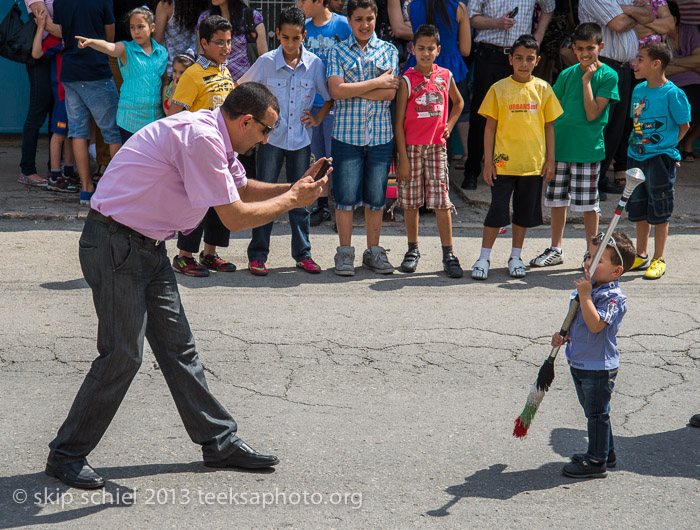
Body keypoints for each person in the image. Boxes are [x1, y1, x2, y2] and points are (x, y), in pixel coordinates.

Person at [44, 83, 328, 490]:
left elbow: (242, 189)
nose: (267, 139)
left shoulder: (218, 138)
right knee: (122, 354)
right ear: (246, 121)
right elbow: (233, 216)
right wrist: (291, 201)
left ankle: (219, 441)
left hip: (145, 246)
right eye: (266, 131)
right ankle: (66, 454)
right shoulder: (202, 138)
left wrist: (293, 188)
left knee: (179, 348)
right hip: (115, 243)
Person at [238, 7, 332, 275]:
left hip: (301, 143)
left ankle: (303, 254)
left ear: (304, 36)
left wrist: (317, 118)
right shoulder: (266, 62)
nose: (290, 44)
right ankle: (257, 255)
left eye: (296, 38)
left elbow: (328, 97)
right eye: (285, 38)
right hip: (271, 143)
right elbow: (243, 89)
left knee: (301, 200)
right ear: (277, 34)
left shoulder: (314, 64)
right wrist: (258, 126)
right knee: (264, 198)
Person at [470, 34, 563, 281]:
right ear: (510, 60)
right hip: (502, 164)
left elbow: (549, 127)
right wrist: (487, 161)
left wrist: (550, 160)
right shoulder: (498, 89)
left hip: (532, 165)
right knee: (496, 212)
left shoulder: (544, 89)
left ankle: (515, 256)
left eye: (529, 59)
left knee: (522, 214)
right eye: (519, 58)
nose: (524, 63)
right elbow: (489, 127)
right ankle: (483, 257)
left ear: (537, 61)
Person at [531, 23, 619, 268]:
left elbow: (592, 113)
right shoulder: (567, 74)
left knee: (589, 206)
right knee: (557, 202)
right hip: (558, 148)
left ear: (600, 46)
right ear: (573, 48)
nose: (584, 53)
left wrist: (587, 81)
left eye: (590, 48)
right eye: (579, 48)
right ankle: (556, 249)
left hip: (586, 150)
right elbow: (550, 109)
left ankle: (592, 252)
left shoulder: (609, 75)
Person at [552, 231, 636, 479]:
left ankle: (596, 460)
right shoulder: (589, 289)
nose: (588, 263)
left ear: (616, 271)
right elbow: (579, 324)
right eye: (588, 256)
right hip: (579, 360)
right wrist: (564, 335)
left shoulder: (612, 297)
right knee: (595, 411)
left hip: (598, 367)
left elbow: (596, 325)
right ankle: (606, 451)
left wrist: (586, 296)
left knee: (597, 414)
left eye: (598, 260)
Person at [327, 0, 399, 276]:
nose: (364, 24)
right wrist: (375, 83)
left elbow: (389, 94)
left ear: (376, 17)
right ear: (349, 20)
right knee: (344, 198)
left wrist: (352, 88)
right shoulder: (337, 51)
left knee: (376, 198)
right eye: (358, 19)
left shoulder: (389, 50)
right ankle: (345, 253)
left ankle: (374, 251)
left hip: (380, 136)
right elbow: (335, 91)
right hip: (346, 136)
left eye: (369, 18)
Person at [168, 15, 237, 277]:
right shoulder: (192, 74)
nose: (226, 48)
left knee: (222, 201)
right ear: (204, 43)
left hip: (223, 150)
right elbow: (176, 113)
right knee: (196, 205)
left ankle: (210, 254)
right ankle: (184, 256)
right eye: (219, 42)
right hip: (198, 152)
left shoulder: (225, 71)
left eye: (229, 42)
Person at [461, 0, 556, 191]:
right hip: (490, 54)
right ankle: (472, 170)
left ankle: (512, 169)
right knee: (482, 115)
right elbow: (471, 18)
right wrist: (496, 22)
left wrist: (538, 37)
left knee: (519, 115)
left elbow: (549, 7)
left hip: (522, 60)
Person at [394, 24, 465, 278]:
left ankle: (448, 253)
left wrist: (450, 124)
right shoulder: (407, 80)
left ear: (438, 50)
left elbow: (459, 103)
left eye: (430, 49)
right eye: (420, 48)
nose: (425, 53)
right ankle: (412, 249)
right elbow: (399, 122)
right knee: (410, 201)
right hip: (411, 149)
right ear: (412, 49)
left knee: (441, 202)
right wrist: (402, 158)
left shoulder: (445, 76)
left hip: (437, 148)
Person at [626, 41, 691, 279]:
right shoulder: (638, 89)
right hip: (636, 156)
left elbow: (684, 125)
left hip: (660, 160)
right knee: (639, 206)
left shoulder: (674, 93)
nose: (635, 63)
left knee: (660, 207)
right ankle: (641, 254)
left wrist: (668, 148)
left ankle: (658, 258)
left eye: (640, 59)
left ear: (656, 64)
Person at [578, 0, 655, 200]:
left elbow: (649, 15)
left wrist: (625, 10)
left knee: (616, 128)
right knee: (598, 126)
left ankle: (600, 179)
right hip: (601, 67)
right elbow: (619, 24)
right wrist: (634, 13)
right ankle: (588, 182)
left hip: (622, 68)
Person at [53, 0, 122, 205]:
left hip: (70, 71)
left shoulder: (60, 2)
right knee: (112, 132)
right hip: (96, 71)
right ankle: (116, 188)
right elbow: (110, 39)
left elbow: (63, 33)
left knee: (77, 132)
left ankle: (86, 189)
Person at [76, 7, 168, 144]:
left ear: (152, 27)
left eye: (140, 27)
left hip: (155, 120)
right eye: (132, 27)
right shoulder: (126, 49)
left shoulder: (162, 52)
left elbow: (164, 81)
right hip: (130, 122)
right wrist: (91, 42)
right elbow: (109, 47)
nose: (136, 32)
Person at [298, 0, 352, 226]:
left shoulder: (342, 25)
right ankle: (322, 207)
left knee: (336, 157)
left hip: (336, 104)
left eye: (302, 0)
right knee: (317, 156)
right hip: (309, 104)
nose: (298, 4)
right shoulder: (304, 27)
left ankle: (342, 205)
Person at [401, 0, 471, 169]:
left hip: (417, 68)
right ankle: (457, 163)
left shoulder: (413, 6)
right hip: (451, 68)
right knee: (454, 115)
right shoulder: (459, 8)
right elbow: (466, 49)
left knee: (420, 117)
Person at [31, 9, 78, 193]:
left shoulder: (80, 37)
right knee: (59, 134)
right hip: (62, 94)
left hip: (79, 94)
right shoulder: (57, 40)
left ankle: (68, 171)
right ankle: (55, 176)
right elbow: (36, 53)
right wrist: (41, 26)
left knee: (71, 133)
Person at [19, 0, 61, 188]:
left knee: (56, 109)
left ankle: (54, 168)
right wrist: (74, 31)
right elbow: (48, 25)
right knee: (38, 110)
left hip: (58, 53)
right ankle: (27, 170)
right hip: (40, 55)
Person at [196, 0, 268, 82]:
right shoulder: (205, 18)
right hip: (216, 85)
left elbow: (263, 58)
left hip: (247, 85)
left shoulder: (252, 17)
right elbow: (201, 53)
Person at [666, 0, 700, 161]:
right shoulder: (657, 36)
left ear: (674, 19)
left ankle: (689, 141)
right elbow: (660, 69)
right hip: (669, 85)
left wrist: (674, 62)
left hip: (695, 83)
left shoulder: (690, 31)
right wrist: (690, 64)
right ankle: (672, 145)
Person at [154, 0, 207, 76]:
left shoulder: (166, 5)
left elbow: (156, 45)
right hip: (195, 72)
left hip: (172, 73)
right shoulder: (204, 6)